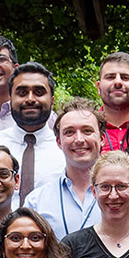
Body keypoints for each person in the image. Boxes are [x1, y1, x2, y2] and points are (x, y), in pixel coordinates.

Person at [0, 62, 64, 202]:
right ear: (10, 99)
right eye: (22, 93)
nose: (30, 99)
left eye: (39, 92)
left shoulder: (67, 153)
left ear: (51, 101)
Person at [33, 98, 104, 237]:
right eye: (69, 132)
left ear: (102, 139)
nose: (79, 140)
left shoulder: (126, 195)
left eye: (87, 131)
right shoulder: (37, 201)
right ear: (59, 142)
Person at [95, 52, 129, 150]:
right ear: (99, 87)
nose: (118, 82)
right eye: (110, 77)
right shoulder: (87, 127)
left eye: (125, 78)